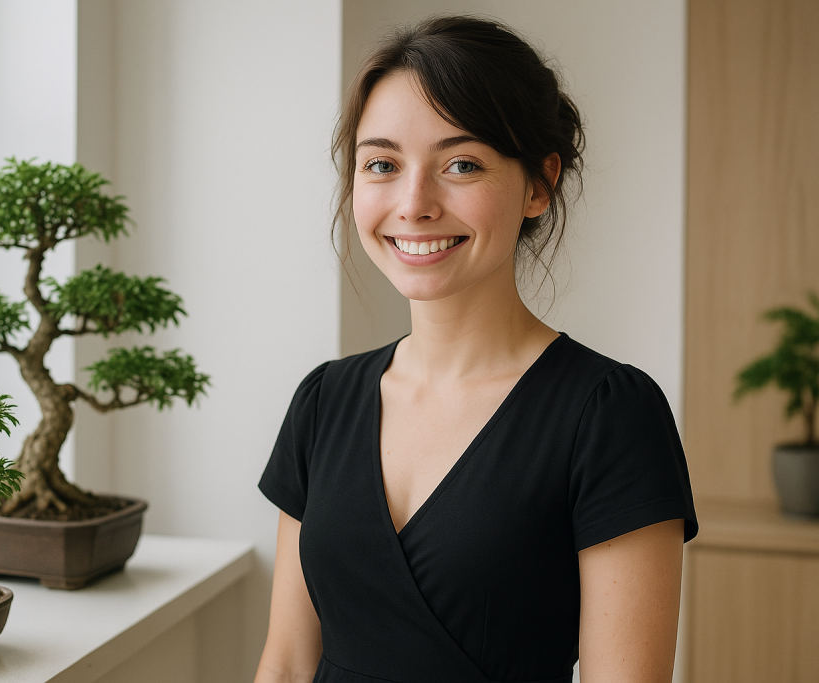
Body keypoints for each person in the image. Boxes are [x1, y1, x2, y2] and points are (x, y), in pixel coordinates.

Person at [255, 15, 697, 683]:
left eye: (461, 163)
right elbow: (286, 663)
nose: (414, 203)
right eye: (382, 163)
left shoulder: (609, 414)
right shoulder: (324, 401)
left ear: (538, 185)